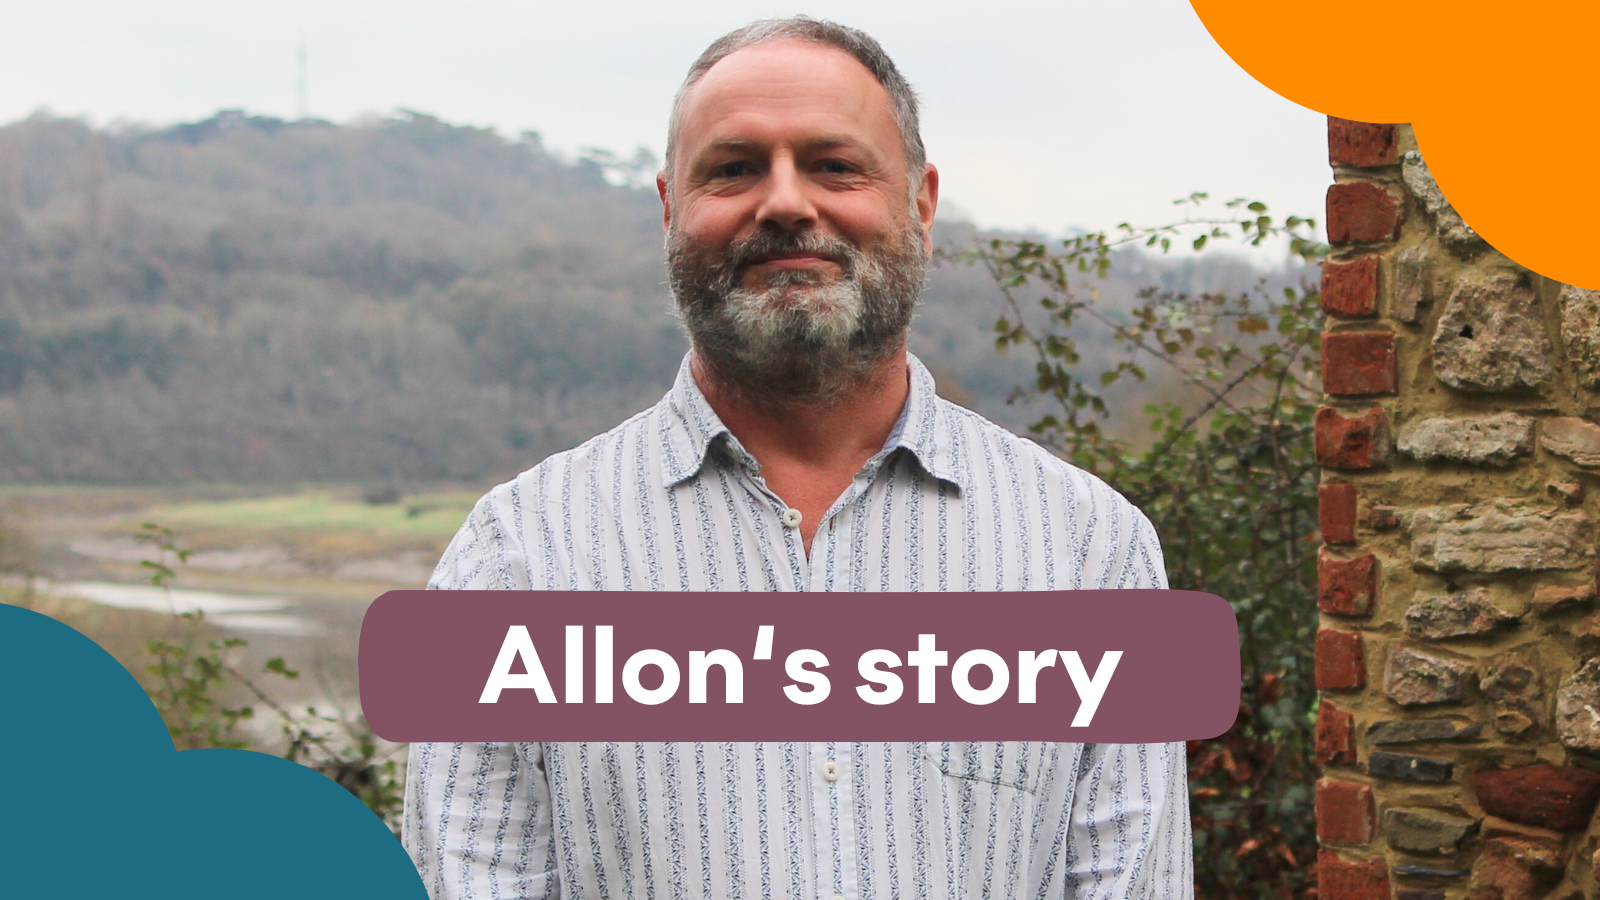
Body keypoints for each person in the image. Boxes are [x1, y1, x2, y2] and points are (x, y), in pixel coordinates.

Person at [404, 16, 1192, 900]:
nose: (785, 203)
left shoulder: (1090, 555)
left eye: (835, 165)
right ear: (671, 210)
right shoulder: (516, 560)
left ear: (921, 207)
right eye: (735, 168)